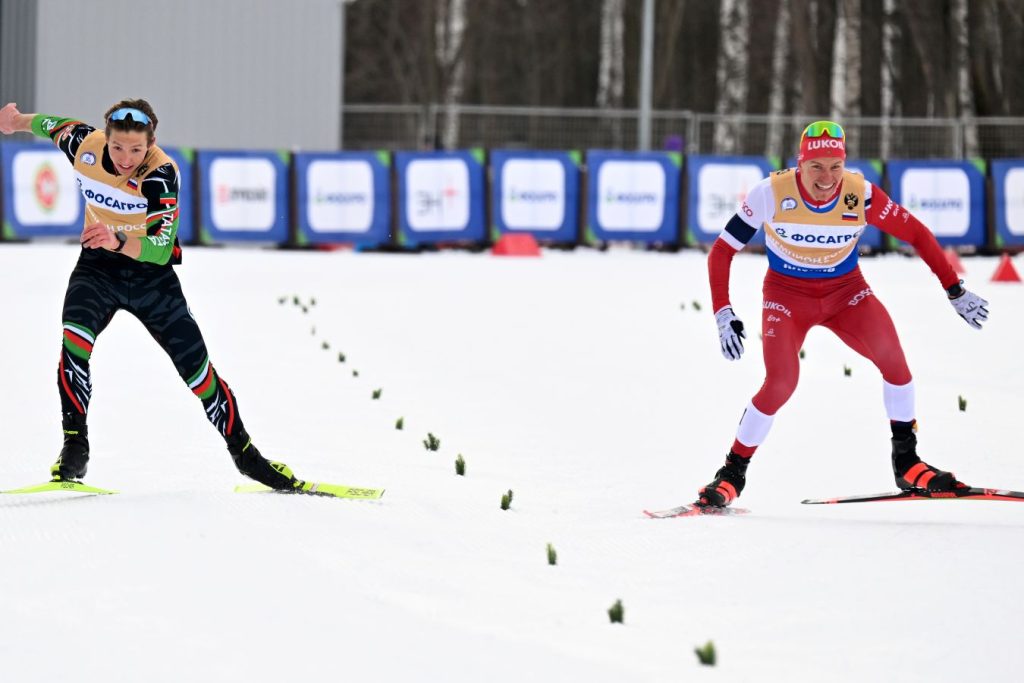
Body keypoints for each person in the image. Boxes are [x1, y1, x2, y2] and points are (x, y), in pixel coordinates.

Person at [0, 99, 301, 490]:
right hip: (98, 270)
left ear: (151, 143)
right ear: (104, 138)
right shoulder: (84, 144)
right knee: (73, 342)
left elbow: (160, 247)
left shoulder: (160, 173)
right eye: (118, 147)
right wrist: (16, 120)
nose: (126, 159)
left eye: (136, 150)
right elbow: (50, 125)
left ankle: (245, 455)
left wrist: (117, 237)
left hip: (152, 279)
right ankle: (75, 445)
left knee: (199, 376)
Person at [697, 120, 989, 508]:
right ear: (800, 165)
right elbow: (722, 251)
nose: (826, 178)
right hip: (787, 296)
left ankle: (907, 462)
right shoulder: (770, 193)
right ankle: (732, 473)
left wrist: (954, 288)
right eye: (816, 166)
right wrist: (723, 312)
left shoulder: (860, 193)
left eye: (835, 166)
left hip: (846, 292)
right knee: (781, 383)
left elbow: (917, 233)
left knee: (896, 364)